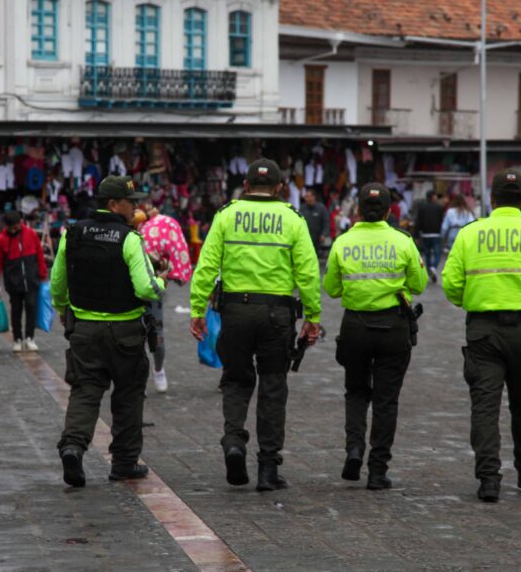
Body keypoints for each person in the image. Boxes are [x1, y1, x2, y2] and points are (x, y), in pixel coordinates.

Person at [189, 159, 321, 492]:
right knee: (273, 386)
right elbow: (307, 272)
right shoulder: (293, 219)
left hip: (235, 311)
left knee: (235, 380)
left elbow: (206, 266)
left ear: (245, 186)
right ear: (279, 188)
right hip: (277, 314)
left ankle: (234, 442)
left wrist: (197, 309)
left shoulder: (226, 215)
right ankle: (268, 468)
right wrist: (313, 316)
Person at [441, 169, 521, 502]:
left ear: (492, 199)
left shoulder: (470, 234)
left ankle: (488, 479)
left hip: (483, 331)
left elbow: (451, 284)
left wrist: (473, 300)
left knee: (485, 407)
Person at [51, 175, 166, 487]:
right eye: (131, 203)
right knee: (128, 395)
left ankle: (73, 447)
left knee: (85, 390)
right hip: (125, 332)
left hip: (84, 330)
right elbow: (146, 287)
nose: (136, 208)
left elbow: (57, 281)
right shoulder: (129, 239)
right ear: (114, 204)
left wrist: (63, 308)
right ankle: (124, 463)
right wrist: (162, 281)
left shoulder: (72, 233)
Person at [323, 182, 428, 490]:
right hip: (393, 328)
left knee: (356, 392)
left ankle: (354, 450)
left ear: (357, 210)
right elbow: (419, 284)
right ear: (388, 211)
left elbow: (331, 289)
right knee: (386, 400)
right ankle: (378, 470)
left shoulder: (343, 242)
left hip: (355, 327)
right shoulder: (403, 241)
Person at [139, 201, 194, 393]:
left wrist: (167, 269)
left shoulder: (165, 225)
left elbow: (177, 249)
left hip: (152, 288)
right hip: (129, 289)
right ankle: (137, 378)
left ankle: (158, 369)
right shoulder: (128, 227)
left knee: (157, 336)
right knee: (133, 337)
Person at [0, 210, 47, 353]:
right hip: (13, 281)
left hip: (31, 279)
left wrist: (42, 272)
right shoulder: (1, 239)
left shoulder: (31, 234)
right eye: (11, 227)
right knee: (16, 310)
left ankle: (30, 337)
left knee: (31, 306)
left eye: (16, 226)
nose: (14, 229)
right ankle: (17, 338)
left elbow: (39, 254)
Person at [413, 190, 444, 283]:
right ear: (433, 197)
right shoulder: (439, 207)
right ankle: (433, 267)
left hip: (425, 234)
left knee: (427, 254)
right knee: (438, 253)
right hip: (436, 234)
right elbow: (442, 220)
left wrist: (416, 235)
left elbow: (418, 221)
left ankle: (430, 272)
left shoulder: (422, 207)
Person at [299, 188, 330, 258]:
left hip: (317, 239)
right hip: (305, 238)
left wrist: (324, 234)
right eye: (305, 197)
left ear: (313, 197)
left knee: (315, 257)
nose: (306, 198)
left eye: (308, 196)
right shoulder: (302, 208)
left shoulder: (321, 208)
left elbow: (326, 222)